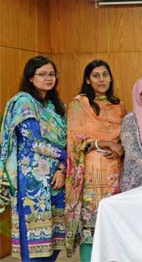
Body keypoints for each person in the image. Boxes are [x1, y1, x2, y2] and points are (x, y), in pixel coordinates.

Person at [0, 56, 67, 261]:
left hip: (56, 179)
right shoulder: (23, 103)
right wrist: (67, 155)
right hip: (31, 183)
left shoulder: (56, 106)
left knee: (53, 241)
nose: (48, 78)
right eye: (42, 74)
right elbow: (34, 142)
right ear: (31, 77)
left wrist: (63, 167)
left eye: (51, 74)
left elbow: (66, 140)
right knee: (33, 243)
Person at [64, 60, 126, 261]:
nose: (102, 79)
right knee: (89, 229)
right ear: (87, 80)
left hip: (115, 175)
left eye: (105, 75)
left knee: (113, 227)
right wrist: (105, 144)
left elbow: (124, 139)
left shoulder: (118, 106)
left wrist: (121, 148)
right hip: (88, 177)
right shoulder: (78, 105)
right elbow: (74, 142)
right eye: (96, 75)